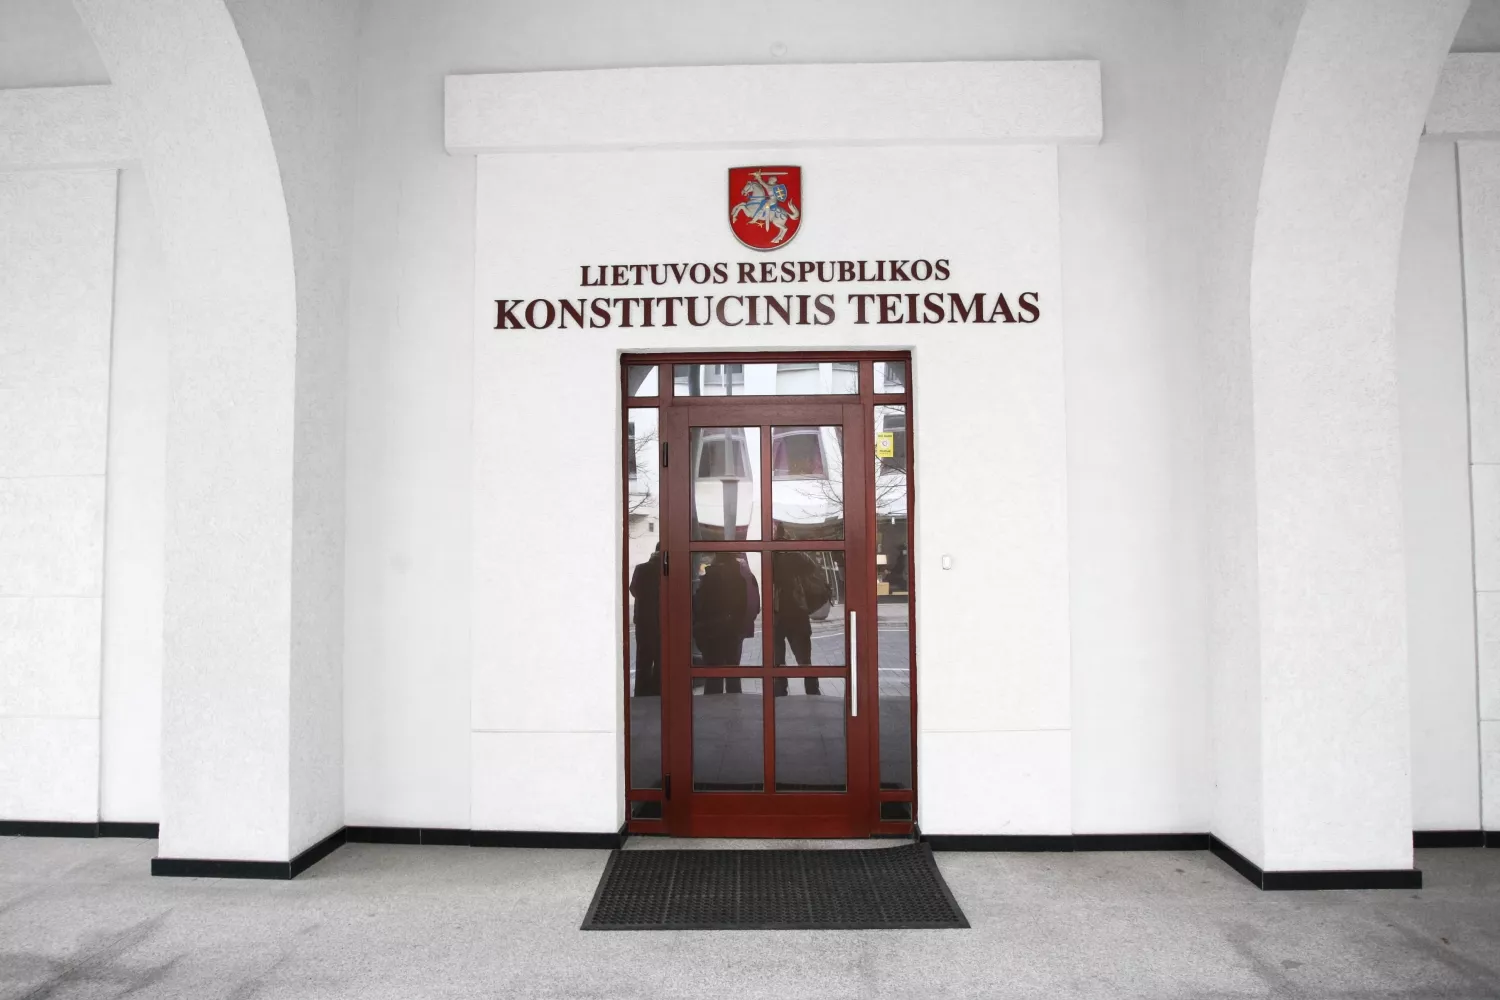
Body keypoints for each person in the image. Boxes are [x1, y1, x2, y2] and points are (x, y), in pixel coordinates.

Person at [772, 550, 830, 696]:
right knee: (804, 657)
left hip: (778, 614)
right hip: (797, 613)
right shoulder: (796, 556)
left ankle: (780, 688)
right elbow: (811, 568)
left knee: (778, 657)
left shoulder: (772, 558)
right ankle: (812, 689)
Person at [694, 552, 748, 694]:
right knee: (733, 671)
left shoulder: (710, 577)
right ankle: (735, 703)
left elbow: (699, 605)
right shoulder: (741, 577)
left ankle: (714, 704)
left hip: (712, 631)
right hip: (733, 630)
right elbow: (748, 604)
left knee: (713, 675)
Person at [629, 545, 661, 696]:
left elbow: (633, 589)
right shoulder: (666, 569)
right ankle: (657, 691)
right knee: (661, 659)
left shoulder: (641, 569)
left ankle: (641, 692)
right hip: (661, 621)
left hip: (643, 621)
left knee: (643, 659)